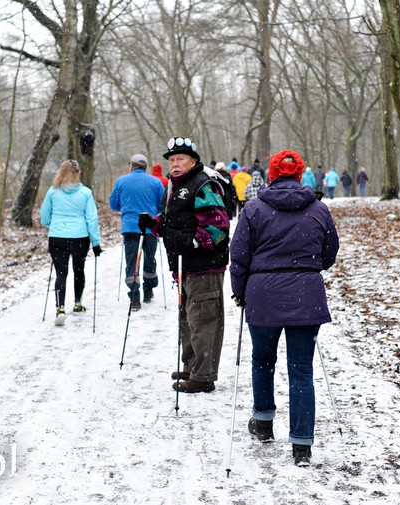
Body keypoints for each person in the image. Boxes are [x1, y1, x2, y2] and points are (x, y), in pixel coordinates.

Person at [229, 149, 338, 467]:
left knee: (263, 359)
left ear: (272, 175)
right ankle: (301, 444)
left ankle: (263, 423)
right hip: (305, 292)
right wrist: (308, 265)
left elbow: (239, 256)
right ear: (300, 173)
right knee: (301, 370)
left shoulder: (254, 208)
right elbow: (329, 252)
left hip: (263, 293)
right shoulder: (318, 209)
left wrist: (240, 293)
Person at [138, 136, 230, 394]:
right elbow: (174, 226)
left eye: (181, 159)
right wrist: (154, 223)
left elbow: (219, 228)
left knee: (203, 319)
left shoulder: (203, 185)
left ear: (194, 161)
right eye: (172, 160)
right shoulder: (175, 187)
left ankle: (203, 376)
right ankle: (191, 366)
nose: (175, 164)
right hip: (184, 266)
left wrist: (193, 243)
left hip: (204, 266)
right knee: (188, 318)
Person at [39, 160, 103, 326]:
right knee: (78, 269)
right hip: (80, 237)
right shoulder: (86, 193)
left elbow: (44, 214)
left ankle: (60, 308)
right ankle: (77, 303)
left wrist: (51, 224)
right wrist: (96, 242)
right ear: (78, 173)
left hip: (57, 237)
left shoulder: (53, 192)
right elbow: (92, 218)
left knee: (61, 273)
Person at [109, 154, 165, 310]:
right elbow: (162, 205)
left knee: (132, 260)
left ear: (132, 165)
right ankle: (148, 290)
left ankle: (134, 296)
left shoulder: (121, 181)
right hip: (150, 227)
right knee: (149, 258)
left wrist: (127, 207)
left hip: (130, 227)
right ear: (145, 167)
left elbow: (114, 204)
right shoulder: (156, 182)